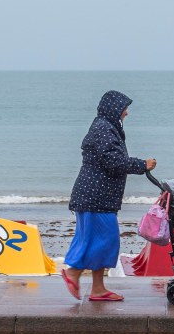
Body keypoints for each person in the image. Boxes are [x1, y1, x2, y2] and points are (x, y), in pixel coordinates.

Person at [61, 90, 156, 302]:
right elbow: (113, 161)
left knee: (96, 240)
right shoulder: (104, 128)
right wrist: (142, 165)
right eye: (124, 108)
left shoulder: (105, 126)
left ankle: (98, 288)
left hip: (96, 196)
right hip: (96, 196)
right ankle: (73, 273)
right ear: (114, 108)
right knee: (106, 240)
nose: (127, 113)